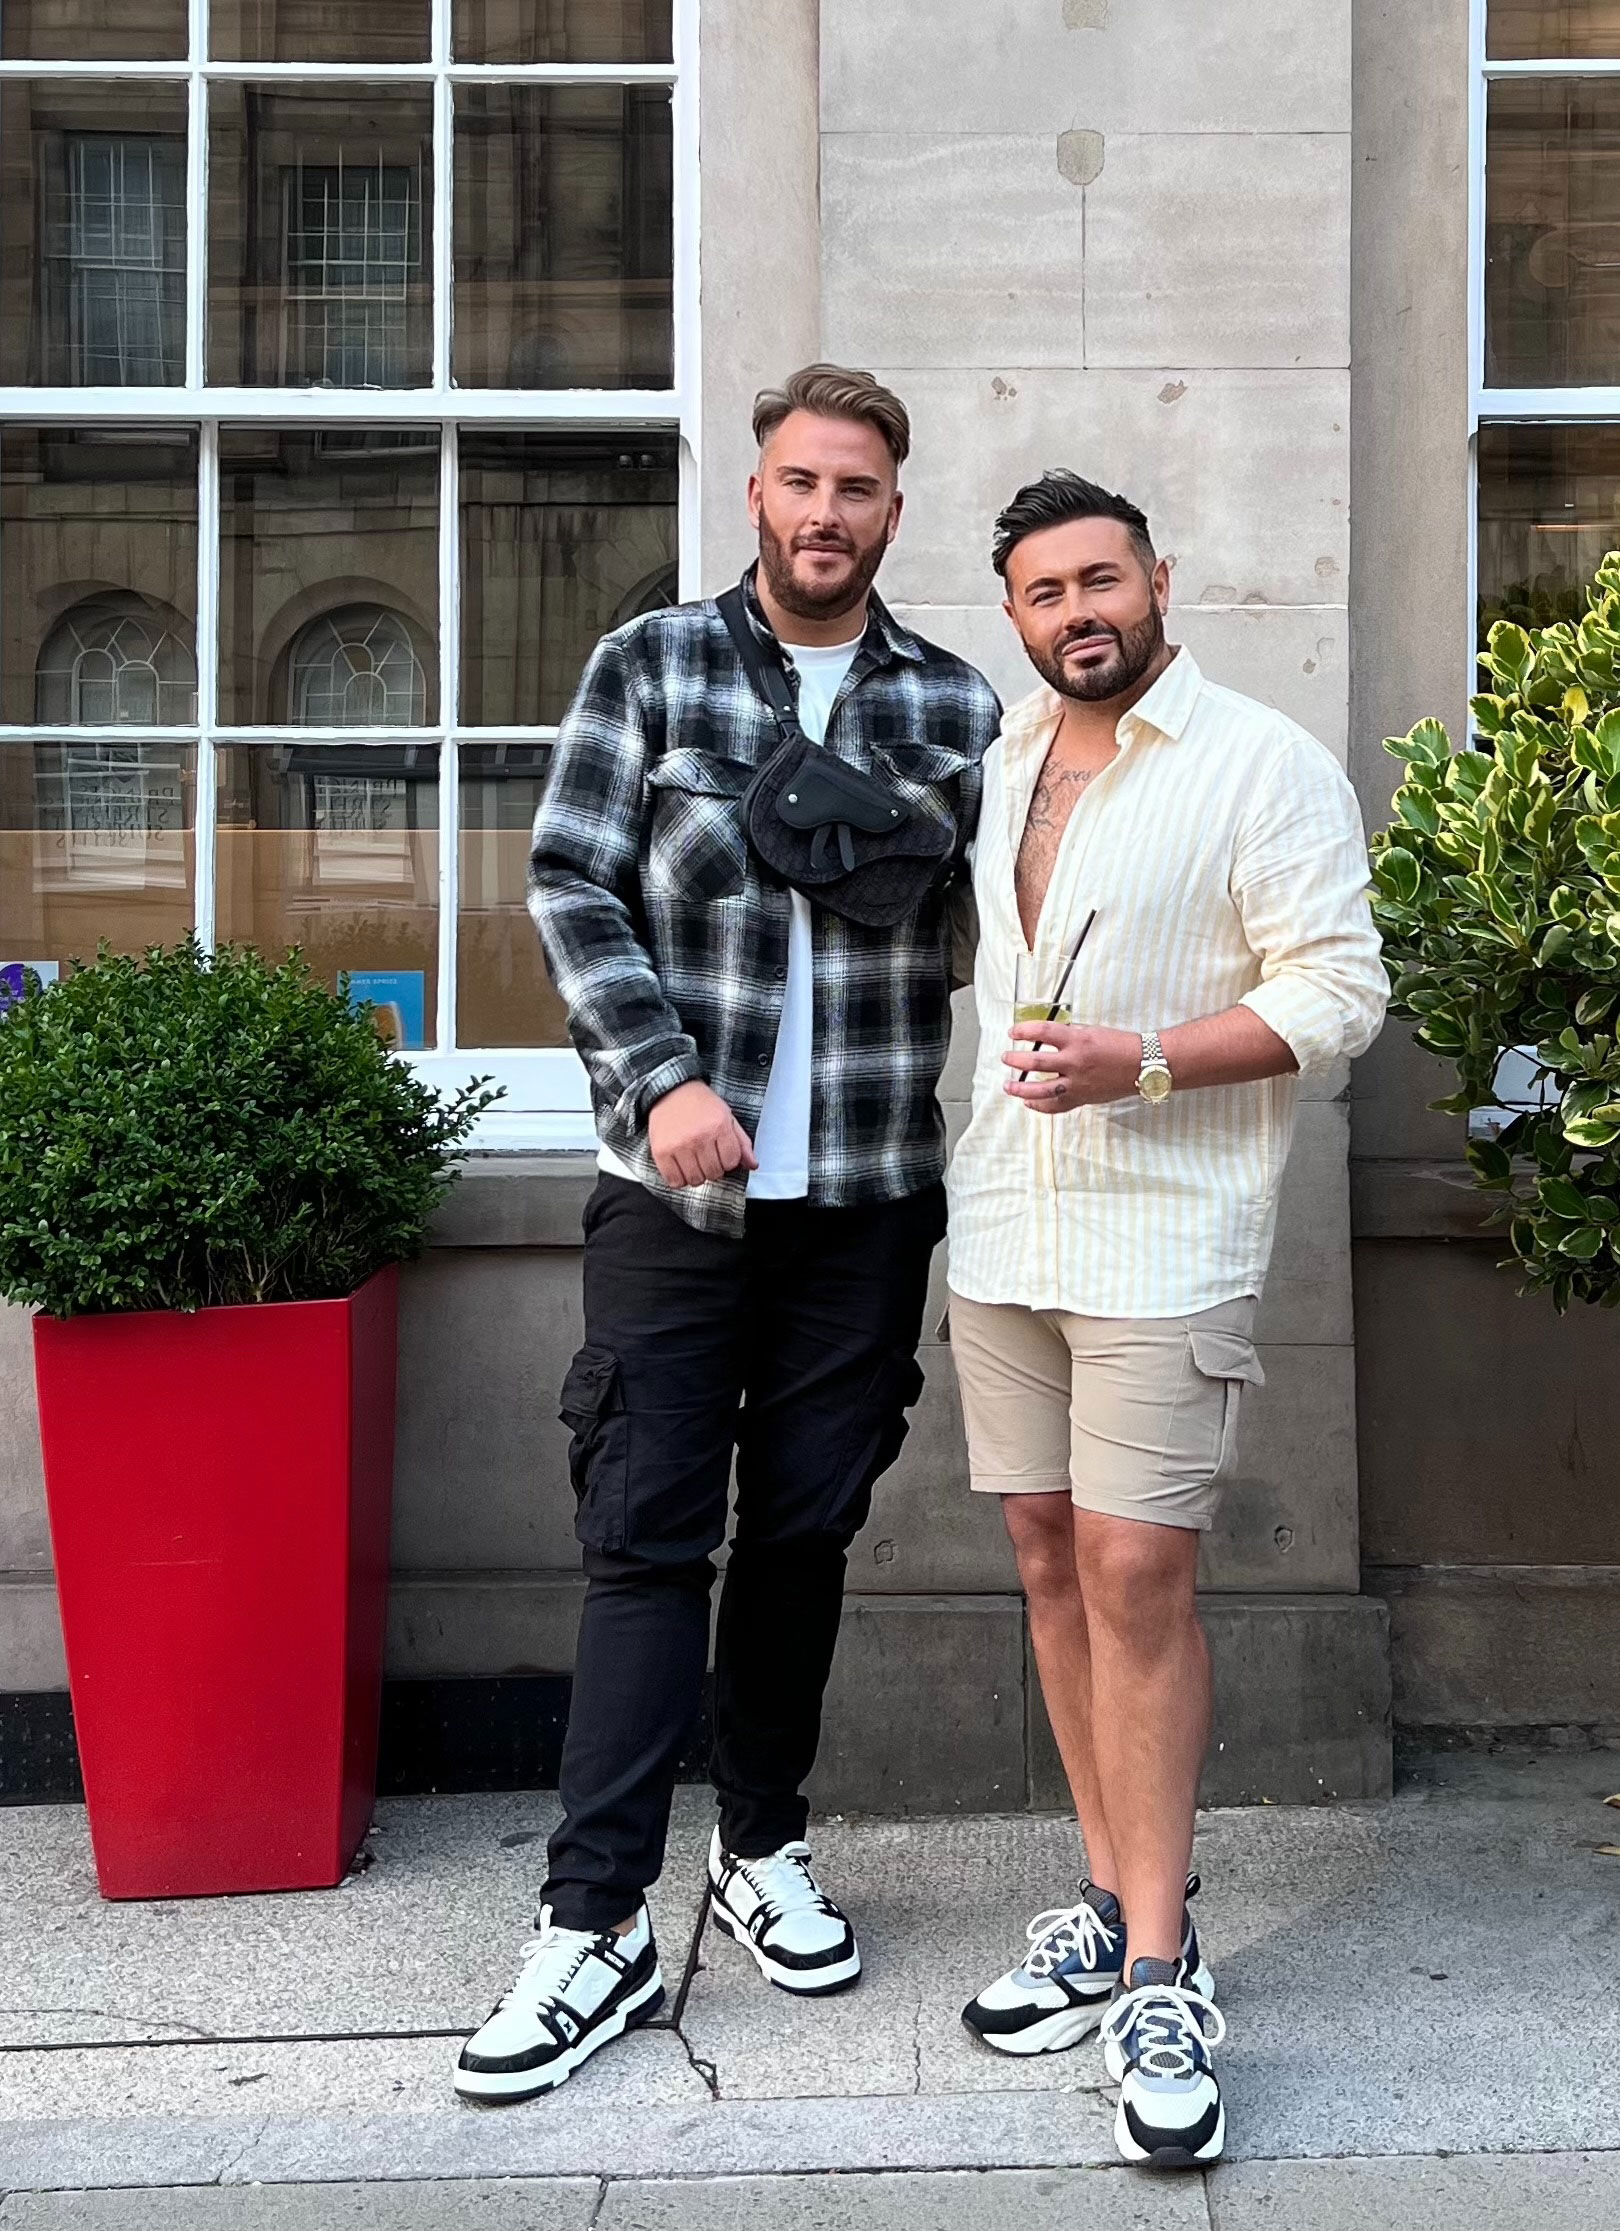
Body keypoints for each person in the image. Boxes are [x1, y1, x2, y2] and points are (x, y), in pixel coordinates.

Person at [454, 366, 1000, 2104]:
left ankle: (761, 1849)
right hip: (675, 1197)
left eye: (856, 486)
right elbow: (566, 876)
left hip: (862, 1195)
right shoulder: (654, 666)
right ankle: (593, 1920)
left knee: (807, 1536)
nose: (824, 512)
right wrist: (663, 1072)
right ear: (753, 496)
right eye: (797, 481)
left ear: (893, 511)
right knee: (646, 1536)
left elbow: (1013, 916)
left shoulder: (958, 706)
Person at [949, 471, 1387, 2166]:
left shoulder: (1260, 763)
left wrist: (1142, 1062)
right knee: (1050, 1559)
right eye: (1048, 592)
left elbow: (1339, 991)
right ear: (1016, 616)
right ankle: (1108, 1888)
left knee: (1141, 1572)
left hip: (1169, 1228)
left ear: (1160, 582)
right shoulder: (1002, 769)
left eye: (1104, 581)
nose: (1081, 613)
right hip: (1007, 1222)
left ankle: (1159, 1963)